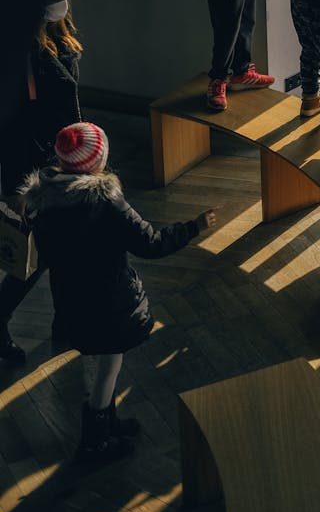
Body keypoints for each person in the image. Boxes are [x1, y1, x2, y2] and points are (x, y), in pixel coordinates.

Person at [20, 121, 218, 463]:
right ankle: (95, 440)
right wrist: (194, 227)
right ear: (97, 161)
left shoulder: (45, 201)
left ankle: (107, 422)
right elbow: (151, 244)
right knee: (110, 364)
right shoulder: (105, 202)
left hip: (71, 300)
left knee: (97, 362)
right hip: (109, 303)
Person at [0, 0, 83, 363]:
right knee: (39, 254)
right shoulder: (20, 54)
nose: (61, 5)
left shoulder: (58, 36)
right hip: (36, 170)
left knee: (58, 249)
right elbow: (14, 127)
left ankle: (64, 321)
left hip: (63, 161)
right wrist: (17, 191)